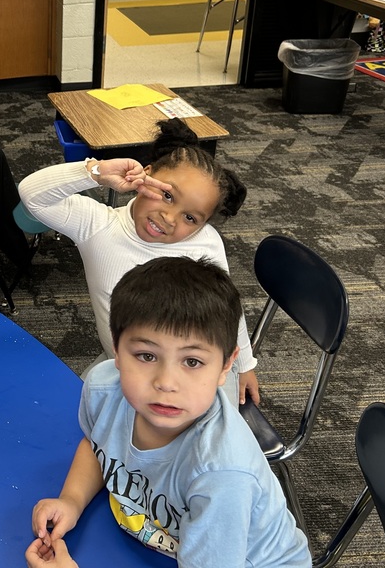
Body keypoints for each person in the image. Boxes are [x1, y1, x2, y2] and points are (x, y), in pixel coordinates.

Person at [30, 257, 310, 567]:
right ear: (117, 350)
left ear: (226, 367)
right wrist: (71, 500)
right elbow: (97, 446)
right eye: (146, 355)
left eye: (192, 362)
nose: (166, 383)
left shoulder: (221, 474)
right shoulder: (102, 389)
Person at [18, 119, 259, 406]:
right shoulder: (98, 225)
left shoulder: (205, 242)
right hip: (127, 369)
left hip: (193, 376)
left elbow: (228, 310)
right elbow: (33, 195)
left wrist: (245, 364)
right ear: (146, 173)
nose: (170, 218)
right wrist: (96, 171)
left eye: (190, 217)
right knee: (70, 416)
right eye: (167, 195)